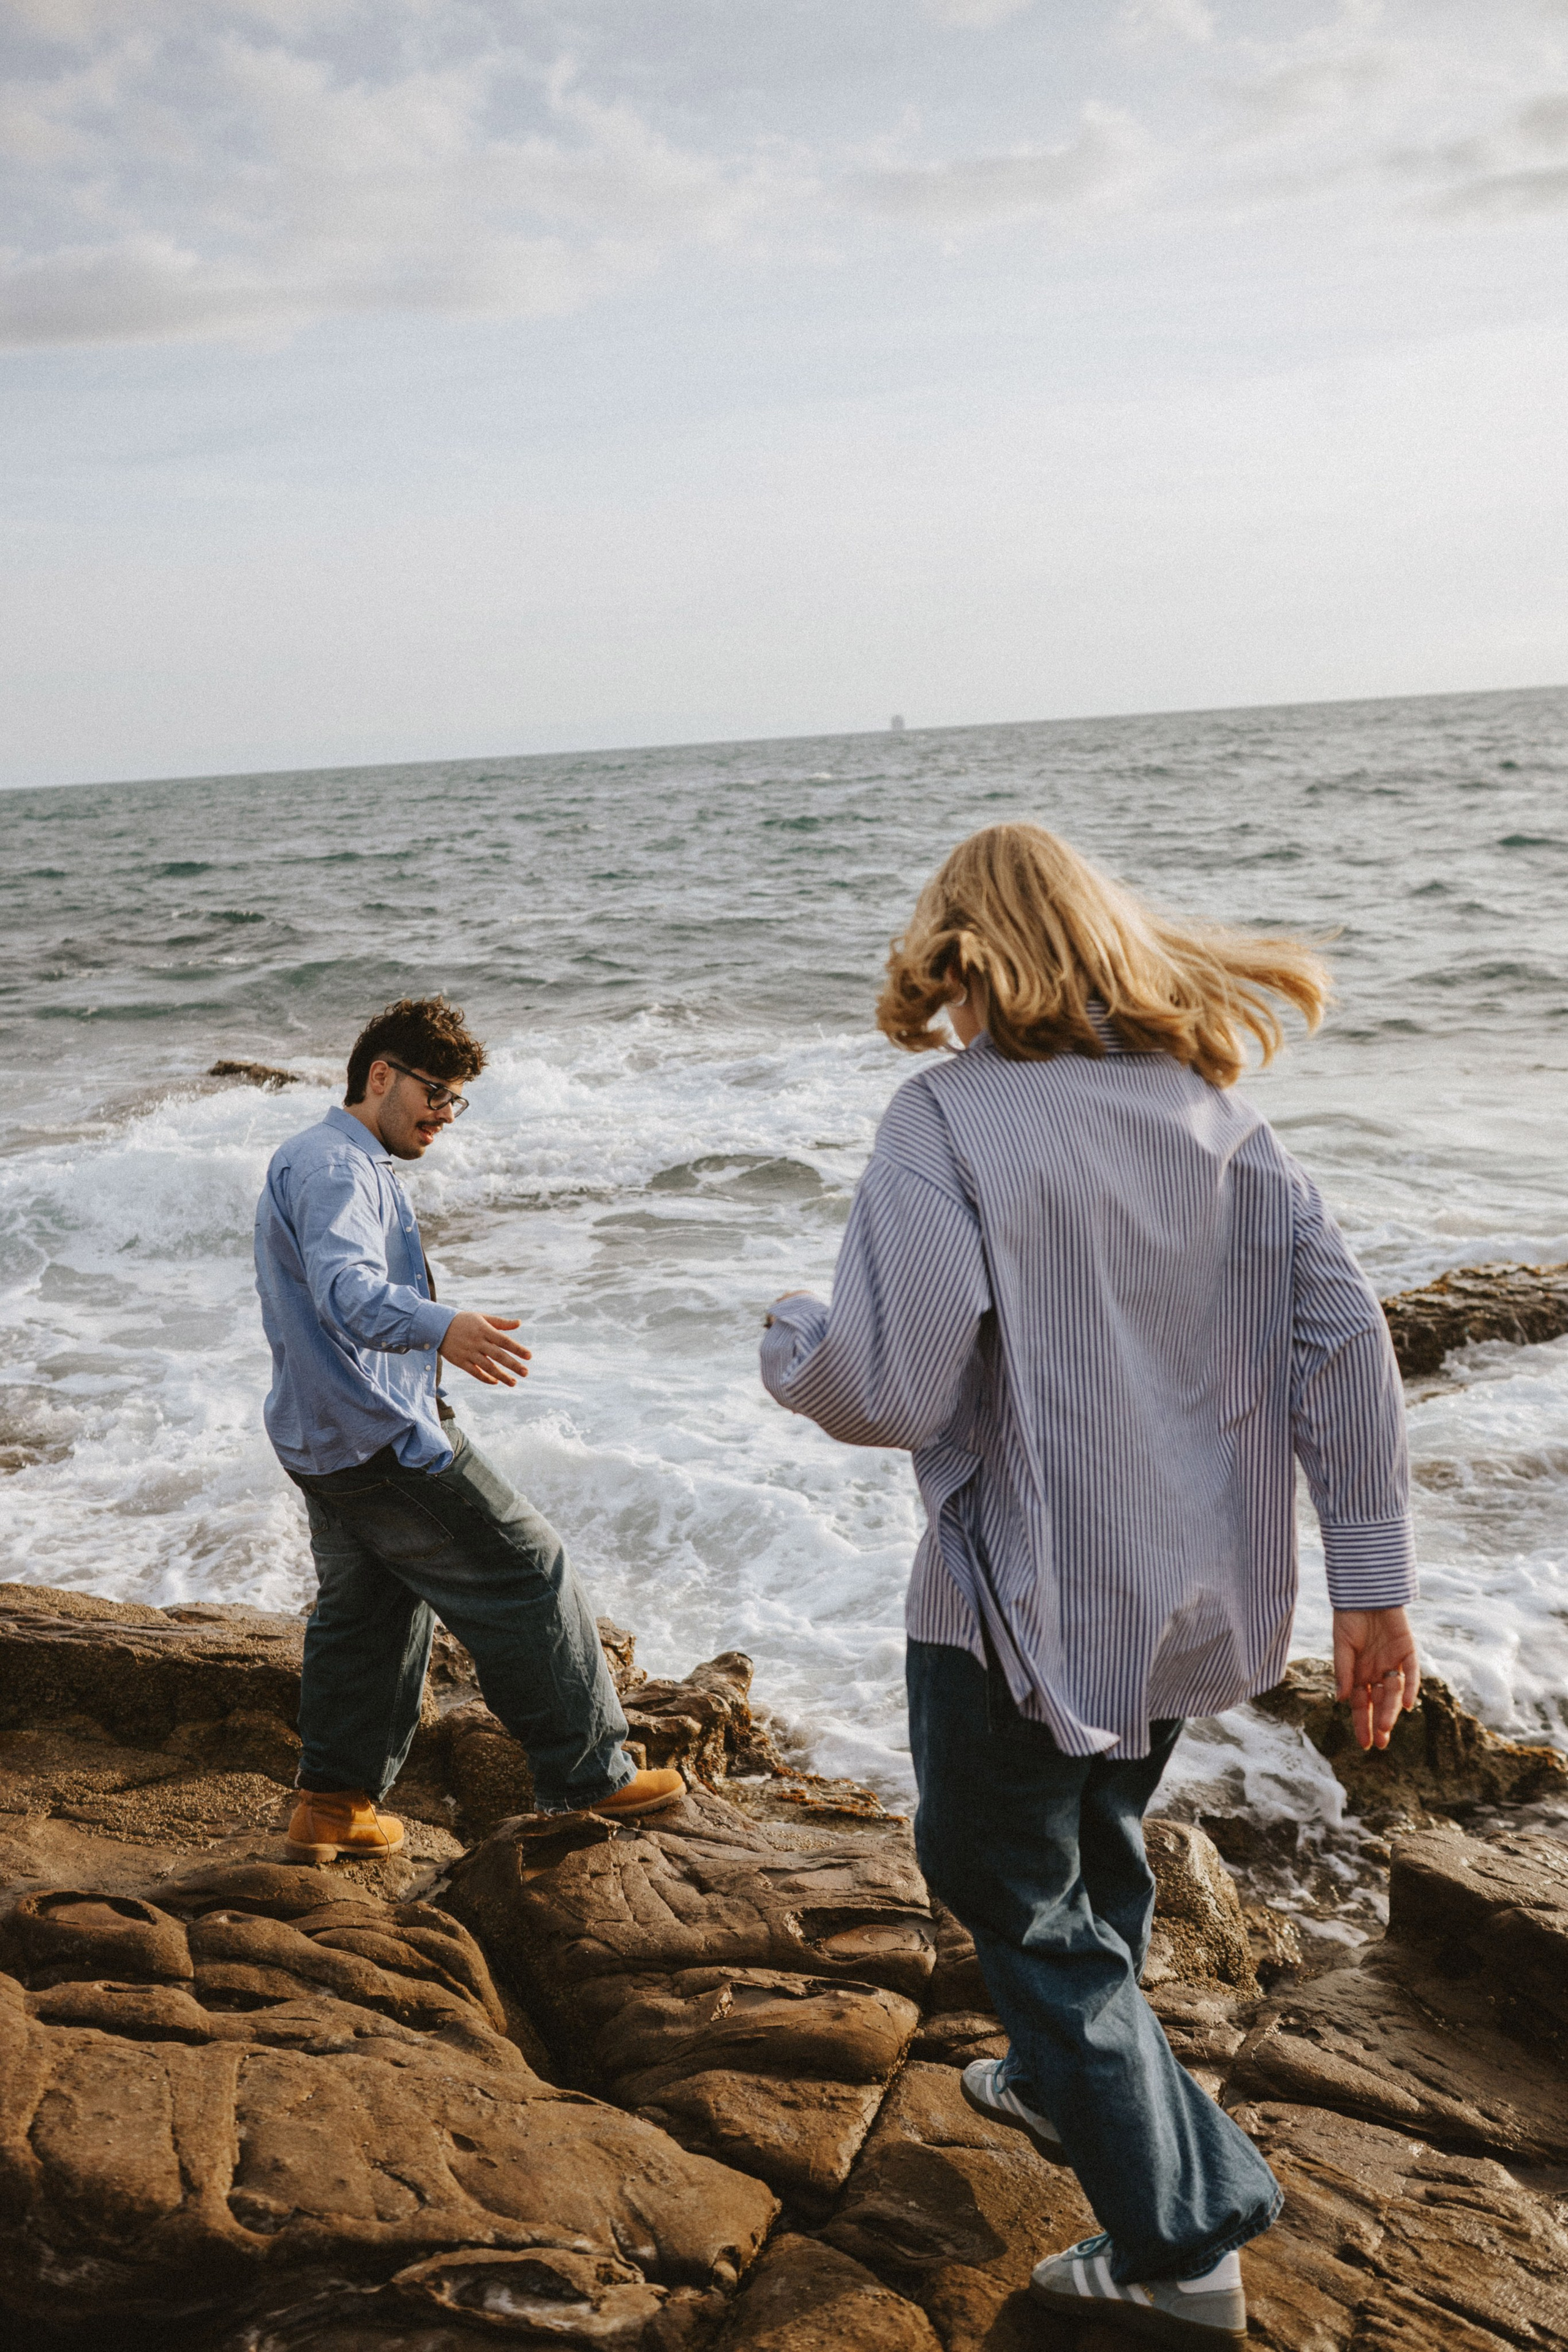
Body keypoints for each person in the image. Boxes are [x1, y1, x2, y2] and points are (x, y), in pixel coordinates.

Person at [760, 825, 1419, 2348]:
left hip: (1022, 1597)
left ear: (958, 961)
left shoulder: (943, 1121)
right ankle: (1062, 2079)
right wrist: (1370, 1588)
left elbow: (889, 1388)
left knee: (998, 1875)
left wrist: (792, 1335)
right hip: (1183, 1591)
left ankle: (1181, 2244)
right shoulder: (1213, 1117)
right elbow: (1344, 1344)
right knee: (1095, 1837)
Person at [254, 995, 682, 1861]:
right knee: (531, 1571)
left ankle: (332, 1806)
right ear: (381, 1076)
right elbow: (346, 1294)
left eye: (457, 1099)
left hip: (322, 1436)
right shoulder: (338, 1169)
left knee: (369, 1610)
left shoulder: (322, 1158)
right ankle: (591, 1775)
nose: (447, 1114)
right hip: (377, 1439)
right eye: (436, 1093)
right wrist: (440, 1325)